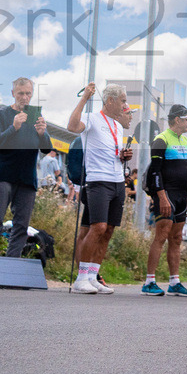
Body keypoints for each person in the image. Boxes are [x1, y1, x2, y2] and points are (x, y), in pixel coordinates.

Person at [66, 82, 133, 294]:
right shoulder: (92, 118)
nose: (125, 105)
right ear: (111, 100)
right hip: (97, 180)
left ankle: (93, 276)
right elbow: (71, 126)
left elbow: (114, 150)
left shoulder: (117, 125)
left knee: (109, 229)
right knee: (98, 227)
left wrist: (123, 155)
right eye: (122, 100)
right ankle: (81, 278)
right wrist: (85, 98)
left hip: (116, 180)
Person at [0, 78, 52, 259]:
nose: (24, 97)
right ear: (13, 93)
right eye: (20, 93)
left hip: (27, 178)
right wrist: (13, 128)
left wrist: (42, 134)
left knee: (21, 226)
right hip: (3, 175)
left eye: (28, 93)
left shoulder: (36, 116)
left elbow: (46, 148)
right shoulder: (2, 114)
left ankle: (11, 266)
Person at [141, 104, 187, 297]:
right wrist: (161, 196)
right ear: (177, 120)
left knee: (177, 238)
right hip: (165, 194)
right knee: (161, 235)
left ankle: (174, 282)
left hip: (181, 195)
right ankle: (149, 282)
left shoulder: (186, 141)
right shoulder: (161, 139)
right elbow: (155, 172)